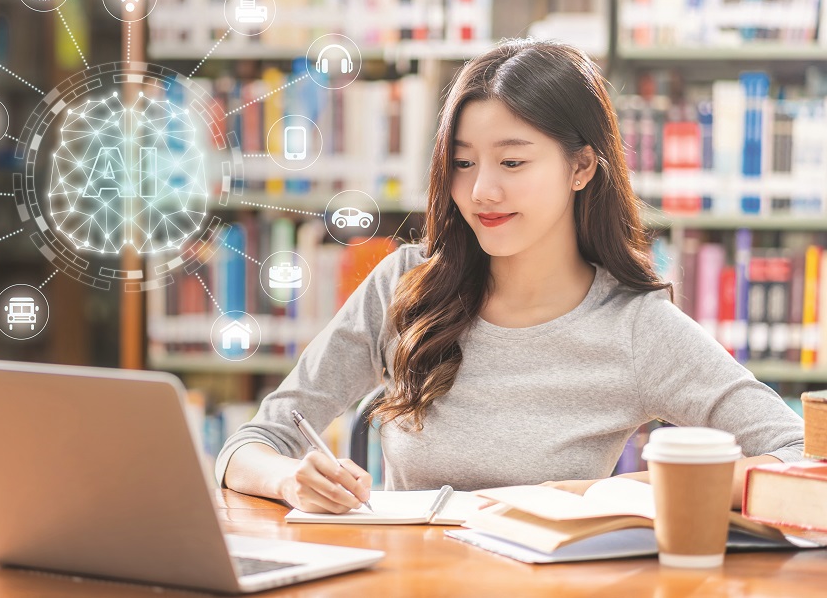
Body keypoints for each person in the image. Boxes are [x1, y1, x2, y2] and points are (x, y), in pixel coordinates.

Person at [216, 39, 804, 514]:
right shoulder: (405, 282)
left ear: (580, 167)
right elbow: (250, 446)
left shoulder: (635, 326)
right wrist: (294, 480)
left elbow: (796, 456)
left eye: (513, 162)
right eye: (464, 162)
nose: (481, 191)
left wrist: (616, 494)